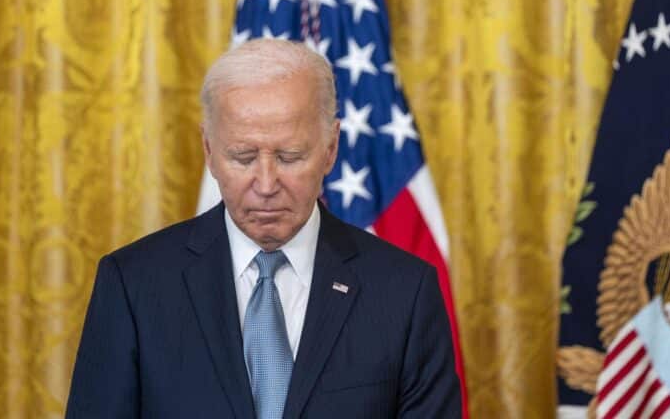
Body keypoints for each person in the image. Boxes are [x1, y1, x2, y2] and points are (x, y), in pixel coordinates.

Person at [66, 38, 461, 418]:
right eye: (243, 157)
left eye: (290, 157)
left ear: (330, 149)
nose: (267, 184)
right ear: (209, 150)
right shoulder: (133, 286)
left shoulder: (406, 292)